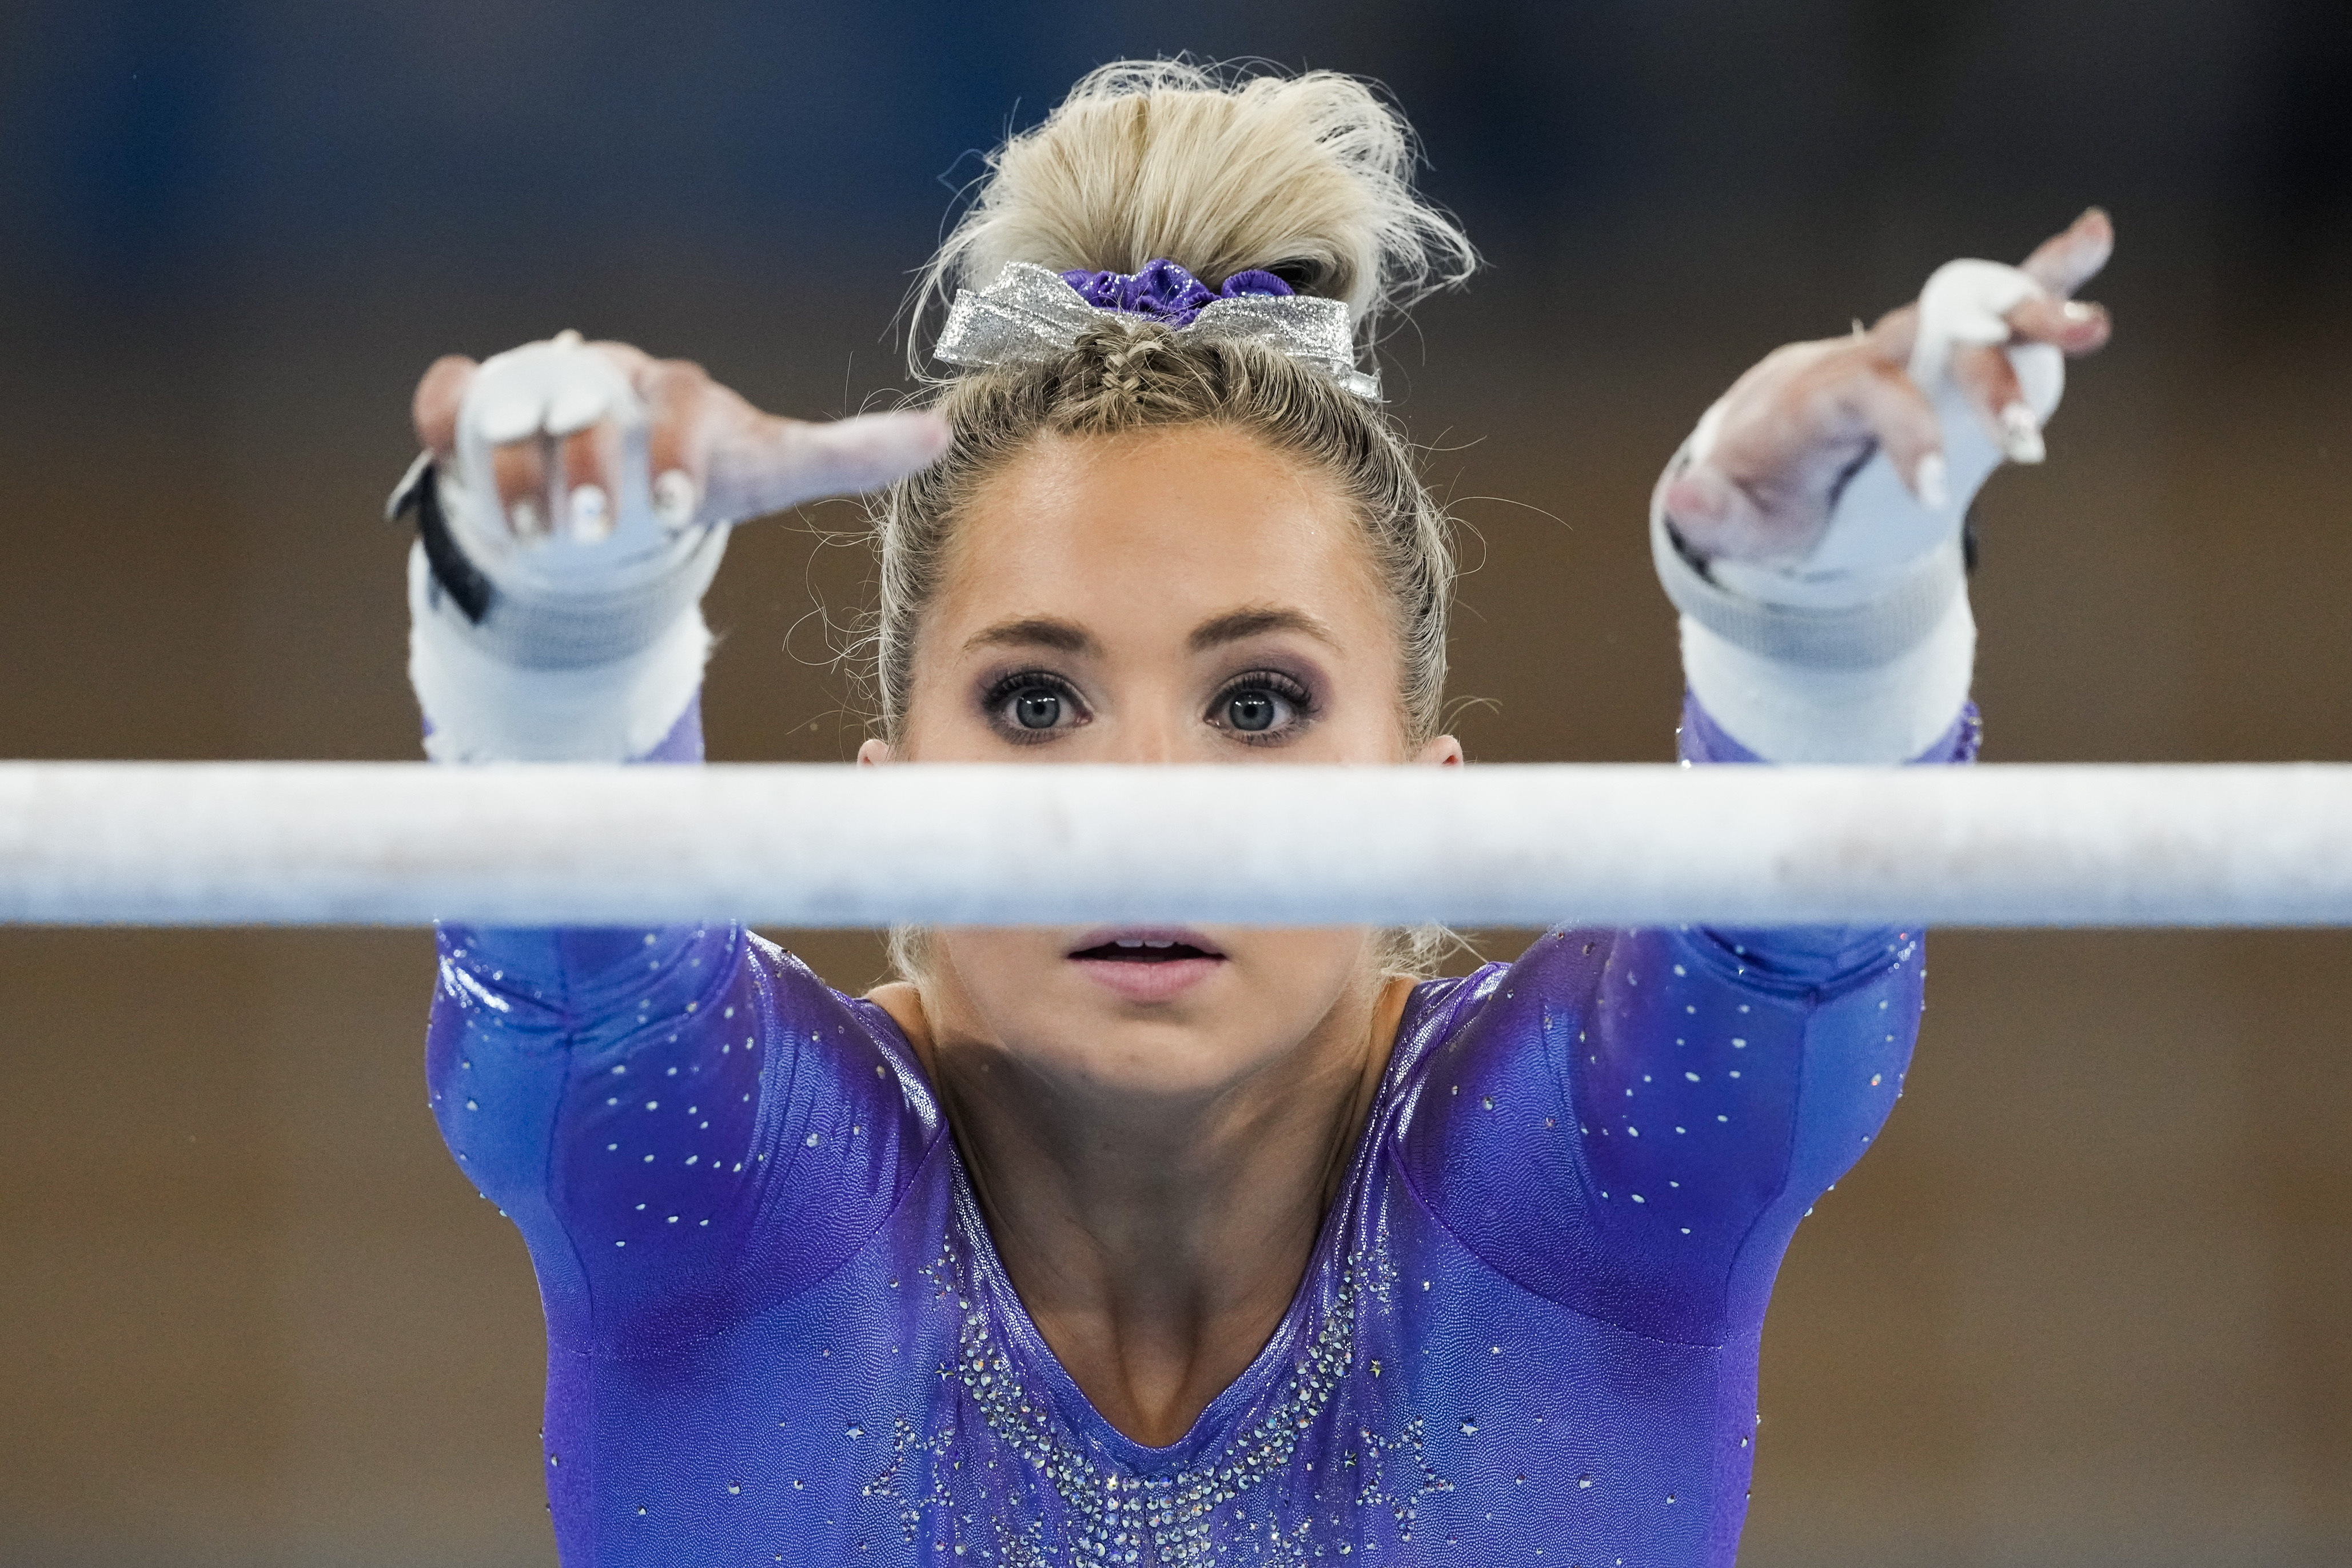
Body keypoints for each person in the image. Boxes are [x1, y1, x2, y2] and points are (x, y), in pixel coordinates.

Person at [400, 60, 2112, 1568]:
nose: (1148, 803)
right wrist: (565, 629)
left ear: (1423, 806)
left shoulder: (1572, 1175)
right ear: (890, 801)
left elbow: (1788, 925)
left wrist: (1817, 613)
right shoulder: (745, 1191)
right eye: (1035, 701)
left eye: (1257, 704)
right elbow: (584, 961)